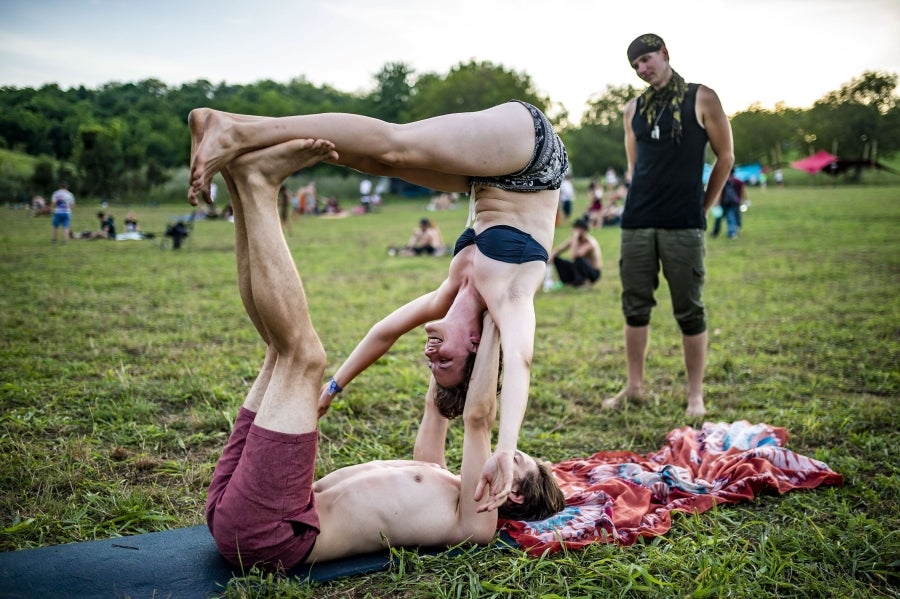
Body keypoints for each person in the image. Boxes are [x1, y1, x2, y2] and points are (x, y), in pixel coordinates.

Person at [188, 99, 568, 509]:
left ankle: (239, 130)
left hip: (486, 179)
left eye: (433, 365)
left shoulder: (448, 294)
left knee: (381, 162)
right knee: (393, 144)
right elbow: (520, 362)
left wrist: (333, 387)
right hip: (533, 160)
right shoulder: (509, 299)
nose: (431, 355)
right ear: (475, 347)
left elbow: (384, 332)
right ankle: (236, 132)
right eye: (445, 362)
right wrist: (505, 447)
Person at [602, 34, 734, 419]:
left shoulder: (702, 97)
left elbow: (725, 158)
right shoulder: (633, 110)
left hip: (683, 223)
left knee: (689, 309)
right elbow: (634, 167)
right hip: (638, 221)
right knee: (635, 306)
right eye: (635, 66)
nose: (642, 69)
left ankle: (695, 395)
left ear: (664, 54)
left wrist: (704, 205)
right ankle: (635, 387)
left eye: (646, 59)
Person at [549, 217, 602, 288]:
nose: (573, 230)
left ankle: (584, 281)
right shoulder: (575, 240)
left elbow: (574, 255)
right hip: (580, 268)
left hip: (593, 273)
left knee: (579, 260)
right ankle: (568, 281)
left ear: (582, 230)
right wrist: (551, 256)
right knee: (557, 259)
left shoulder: (590, 243)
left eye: (575, 229)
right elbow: (559, 249)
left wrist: (575, 236)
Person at [711, 169, 744, 239]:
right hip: (735, 202)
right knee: (732, 217)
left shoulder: (723, 181)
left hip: (724, 202)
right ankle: (732, 233)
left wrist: (717, 202)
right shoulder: (738, 181)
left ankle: (715, 232)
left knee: (718, 218)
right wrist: (740, 200)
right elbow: (741, 192)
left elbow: (720, 192)